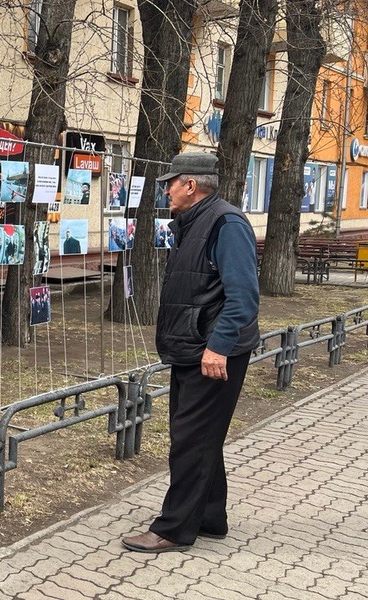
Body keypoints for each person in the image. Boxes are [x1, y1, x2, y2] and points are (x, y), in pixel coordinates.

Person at [122, 152, 260, 554]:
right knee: (201, 437)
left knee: (190, 439)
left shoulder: (225, 223)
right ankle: (209, 517)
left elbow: (244, 297)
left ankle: (173, 528)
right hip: (193, 348)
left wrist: (218, 348)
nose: (166, 190)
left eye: (171, 182)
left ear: (191, 185)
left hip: (213, 352)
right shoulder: (195, 223)